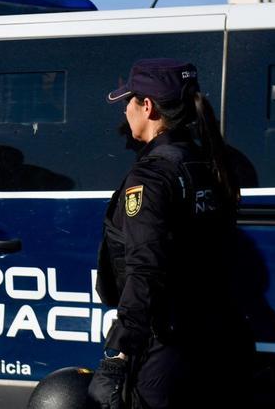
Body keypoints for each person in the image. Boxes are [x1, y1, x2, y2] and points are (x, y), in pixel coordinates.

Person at [89, 58, 253, 408]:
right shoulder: (210, 162)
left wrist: (119, 354)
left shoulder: (152, 176)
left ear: (147, 106)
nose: (125, 111)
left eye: (129, 102)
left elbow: (145, 269)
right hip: (215, 330)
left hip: (167, 341)